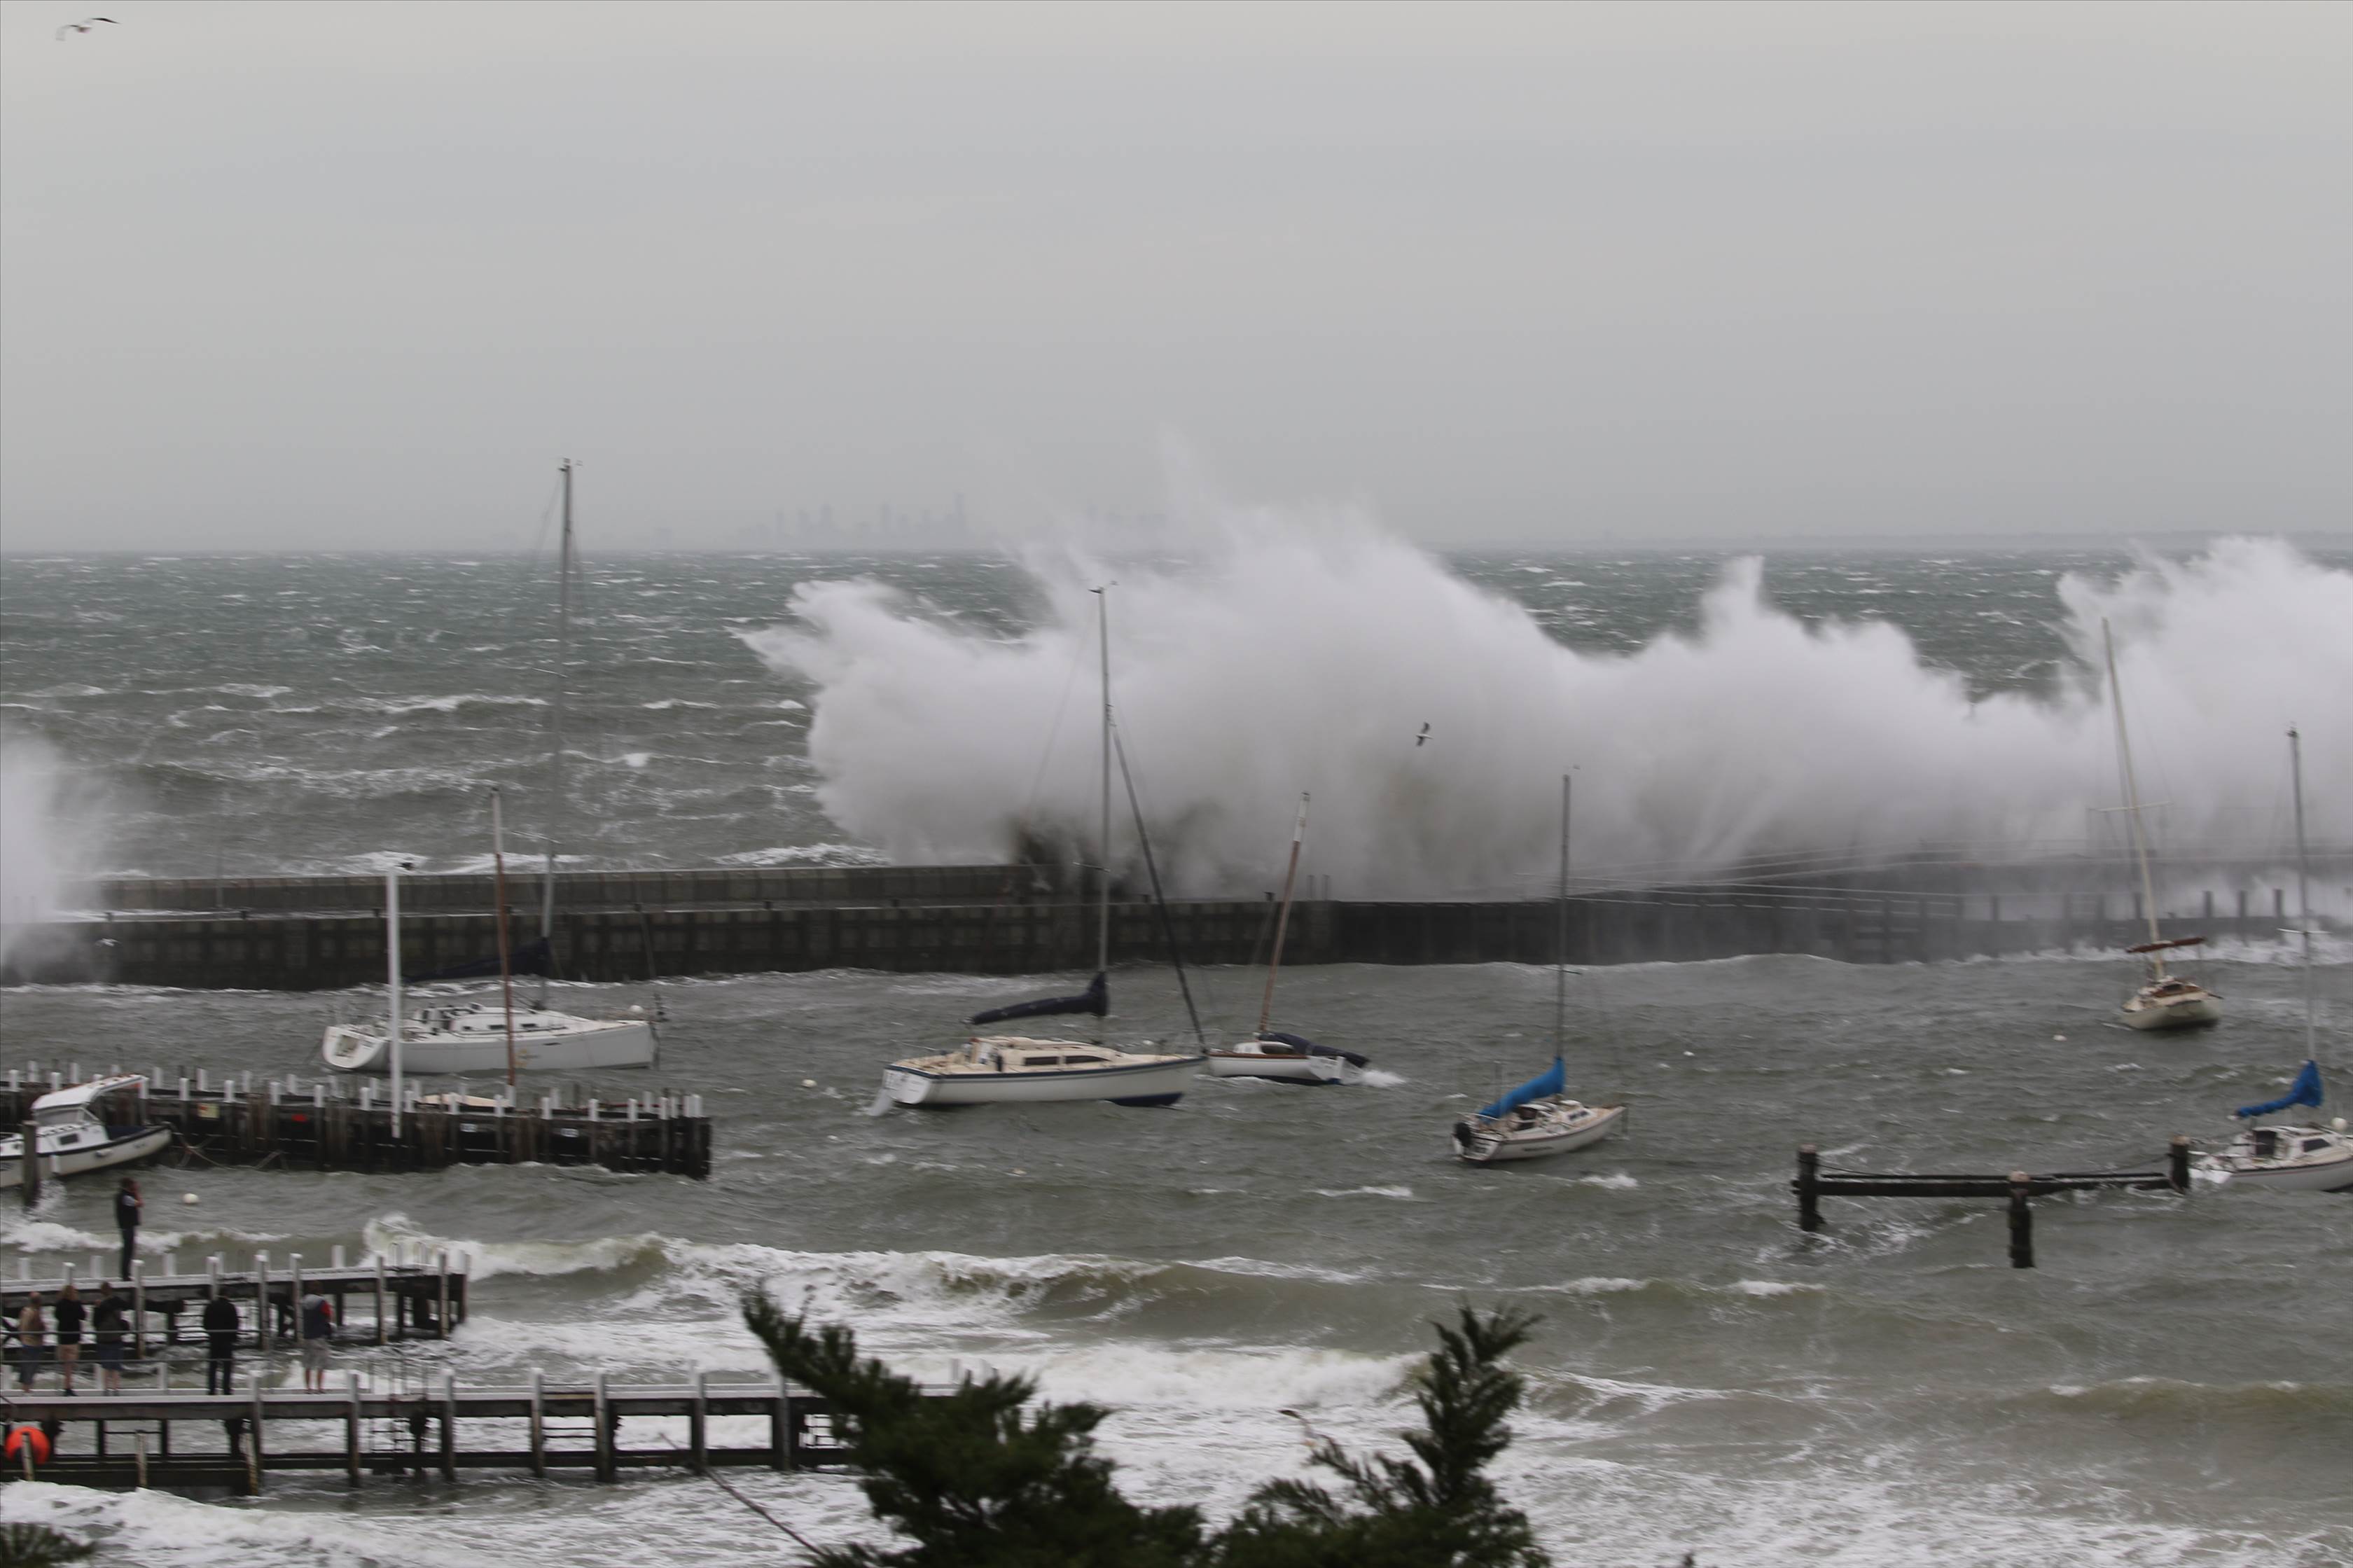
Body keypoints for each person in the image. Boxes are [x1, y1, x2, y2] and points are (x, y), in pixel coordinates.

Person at [91, 1282, 130, 1396]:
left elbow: (95, 1323)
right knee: (116, 1365)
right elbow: (127, 1305)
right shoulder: (117, 1301)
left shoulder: (99, 1305)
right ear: (111, 1290)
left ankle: (106, 1389)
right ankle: (116, 1388)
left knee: (105, 1365)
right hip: (116, 1336)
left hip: (103, 1338)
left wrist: (97, 1308)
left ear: (101, 1292)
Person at [202, 1291, 240, 1394]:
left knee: (213, 1365)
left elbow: (205, 1324)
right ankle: (226, 1389)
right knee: (227, 1366)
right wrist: (233, 1336)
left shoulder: (210, 1306)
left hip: (214, 1339)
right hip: (227, 1340)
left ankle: (212, 1389)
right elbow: (235, 1324)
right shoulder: (231, 1307)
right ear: (227, 1295)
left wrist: (211, 1333)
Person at [298, 1289, 335, 1392]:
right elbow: (329, 1317)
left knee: (307, 1363)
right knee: (322, 1361)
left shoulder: (303, 1302)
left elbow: (299, 1316)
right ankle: (319, 1388)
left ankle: (308, 1388)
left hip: (306, 1336)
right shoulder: (322, 1302)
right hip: (319, 1335)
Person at [53, 1282, 85, 1395]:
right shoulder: (76, 1304)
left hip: (63, 1337)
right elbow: (83, 1316)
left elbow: (56, 1316)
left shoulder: (60, 1304)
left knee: (66, 1364)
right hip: (74, 1338)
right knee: (70, 1364)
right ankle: (68, 1387)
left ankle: (66, 1387)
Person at [13, 1293, 46, 1392]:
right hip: (33, 1344)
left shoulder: (25, 1311)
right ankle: (27, 1391)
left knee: (25, 1370)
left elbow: (20, 1327)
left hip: (25, 1343)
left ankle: (25, 1390)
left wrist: (23, 1338)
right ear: (39, 1302)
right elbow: (38, 1329)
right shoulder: (35, 1313)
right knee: (31, 1370)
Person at [115, 1177, 142, 1278]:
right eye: (133, 1184)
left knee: (128, 1251)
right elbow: (140, 1204)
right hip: (128, 1227)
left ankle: (126, 1274)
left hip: (126, 1227)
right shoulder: (126, 1197)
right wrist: (136, 1192)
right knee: (128, 1252)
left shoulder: (122, 1196)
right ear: (129, 1185)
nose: (135, 1185)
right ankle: (125, 1275)